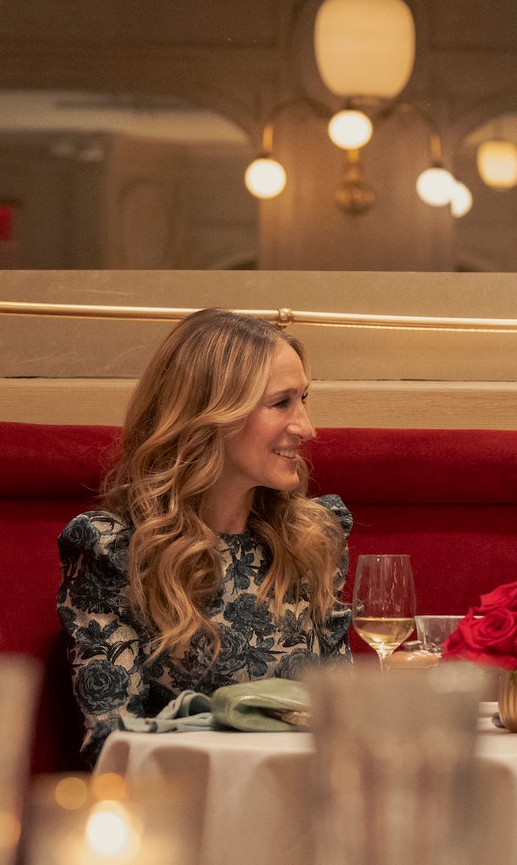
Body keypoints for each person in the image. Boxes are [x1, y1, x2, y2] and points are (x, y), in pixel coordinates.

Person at [57, 308, 353, 759]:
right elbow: (114, 746)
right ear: (210, 415)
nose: (306, 428)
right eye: (281, 403)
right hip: (188, 809)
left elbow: (345, 717)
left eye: (304, 399)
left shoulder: (313, 538)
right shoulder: (115, 551)